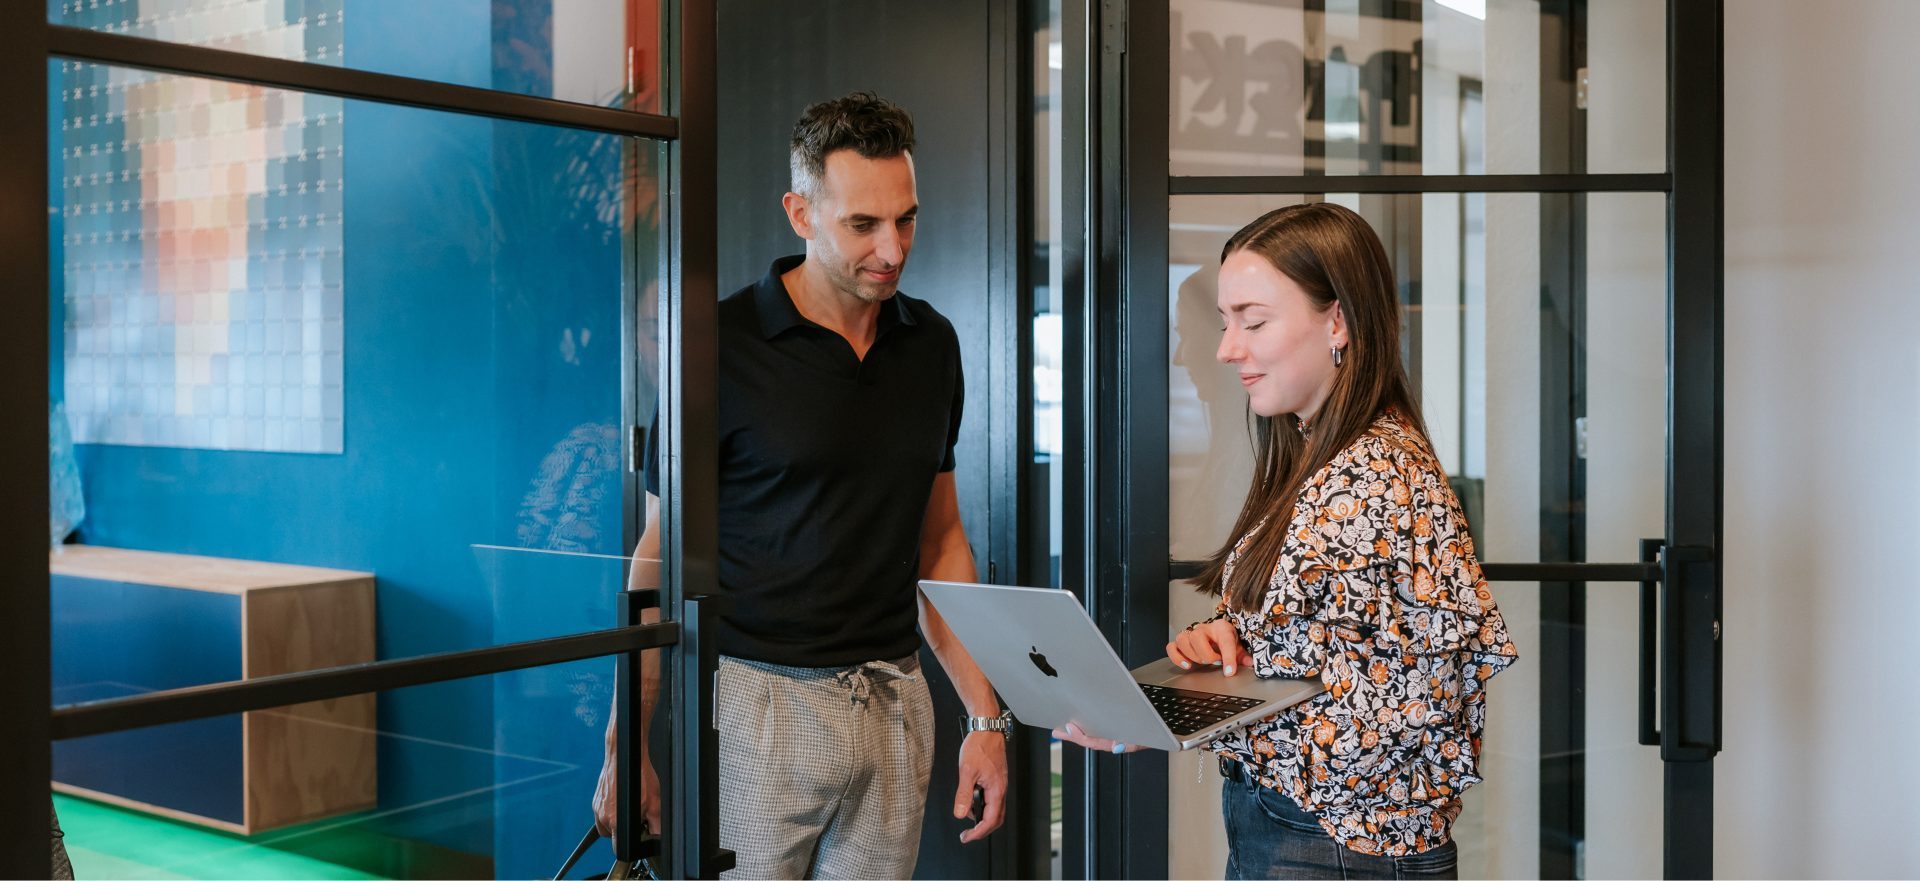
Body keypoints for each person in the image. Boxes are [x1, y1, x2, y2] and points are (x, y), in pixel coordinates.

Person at [590, 91, 1009, 879]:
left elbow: (941, 542)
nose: (892, 248)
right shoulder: (714, 348)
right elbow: (658, 555)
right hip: (759, 708)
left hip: (895, 701)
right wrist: (626, 742)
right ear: (800, 213)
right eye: (864, 224)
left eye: (906, 219)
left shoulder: (932, 345)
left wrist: (984, 715)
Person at [1056, 203, 1518, 880]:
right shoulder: (1326, 456)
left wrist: (1182, 714)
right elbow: (1335, 650)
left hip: (1337, 849)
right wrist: (1229, 641)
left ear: (1339, 322)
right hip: (1307, 836)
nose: (1226, 348)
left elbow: (1395, 724)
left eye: (1254, 321)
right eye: (1225, 322)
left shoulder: (1372, 478)